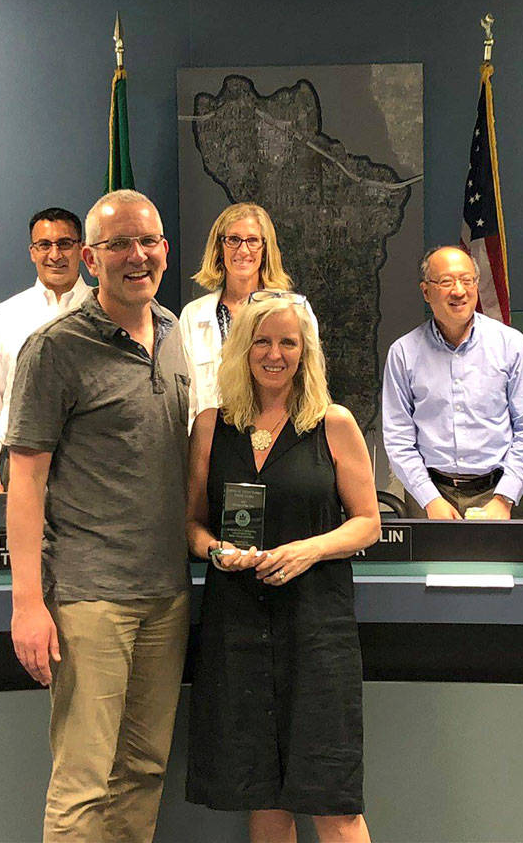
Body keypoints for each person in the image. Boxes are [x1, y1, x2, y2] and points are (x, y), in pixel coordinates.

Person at [6, 189, 190, 843]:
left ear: (165, 250)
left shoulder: (173, 334)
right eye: (119, 245)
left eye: (148, 241)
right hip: (90, 599)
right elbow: (24, 479)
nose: (136, 256)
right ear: (90, 258)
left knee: (142, 770)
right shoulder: (55, 348)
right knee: (84, 784)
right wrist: (28, 602)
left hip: (167, 596)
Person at [185, 291, 380, 843]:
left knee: (333, 802)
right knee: (264, 800)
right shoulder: (211, 426)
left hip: (317, 630)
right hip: (239, 626)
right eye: (262, 341)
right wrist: (215, 551)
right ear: (242, 349)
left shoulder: (332, 423)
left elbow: (368, 522)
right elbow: (192, 524)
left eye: (287, 342)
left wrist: (308, 550)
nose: (275, 354)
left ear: (306, 350)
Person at [383, 245, 523, 519]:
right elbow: (398, 438)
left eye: (467, 280)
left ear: (476, 284)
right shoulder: (404, 352)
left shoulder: (510, 345)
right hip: (430, 495)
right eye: (446, 282)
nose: (459, 291)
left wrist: (504, 499)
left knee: (503, 564)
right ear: (426, 291)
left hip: (499, 491)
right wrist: (429, 499)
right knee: (428, 564)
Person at [0, 207, 90, 492]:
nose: (55, 255)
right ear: (32, 252)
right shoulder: (4, 316)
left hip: (92, 469)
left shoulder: (105, 311)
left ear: (82, 249)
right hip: (22, 467)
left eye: (65, 244)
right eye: (44, 245)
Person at [179, 202, 316, 425]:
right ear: (219, 247)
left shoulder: (296, 310)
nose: (243, 251)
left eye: (252, 241)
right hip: (215, 440)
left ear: (265, 248)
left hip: (277, 436)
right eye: (233, 240)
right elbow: (188, 397)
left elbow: (310, 382)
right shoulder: (193, 316)